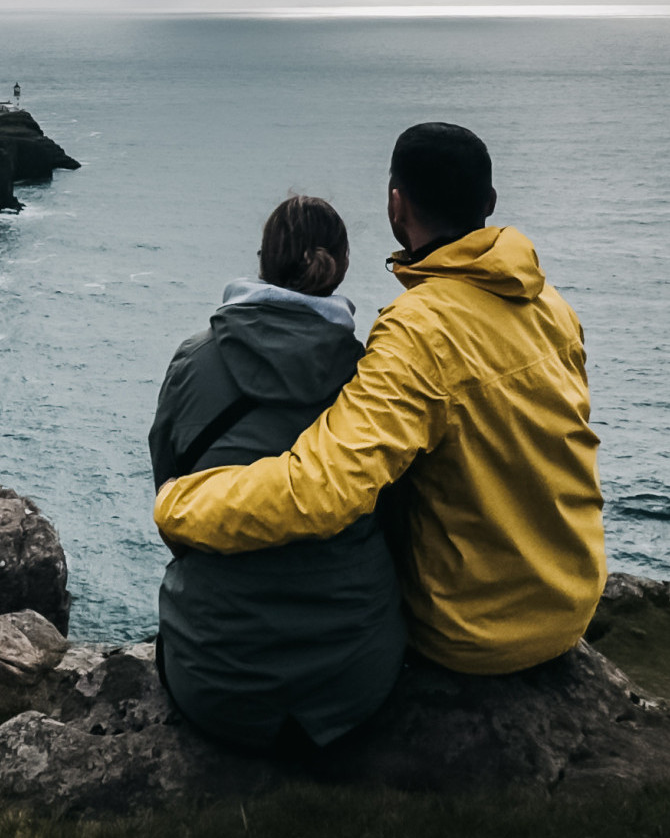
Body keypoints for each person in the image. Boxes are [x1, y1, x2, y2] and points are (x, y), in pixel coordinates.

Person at [155, 123, 606, 676]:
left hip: (476, 631)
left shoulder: (420, 328)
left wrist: (180, 504)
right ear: (489, 202)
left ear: (397, 206)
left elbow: (324, 488)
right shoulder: (551, 304)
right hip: (572, 601)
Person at [150, 196, 405, 751]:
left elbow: (169, 496)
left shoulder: (193, 361)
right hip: (354, 680)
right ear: (339, 264)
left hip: (214, 678)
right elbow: (397, 513)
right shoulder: (371, 379)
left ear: (263, 260)